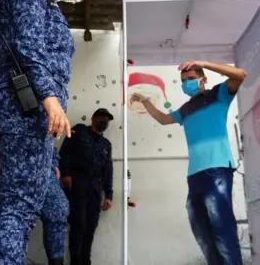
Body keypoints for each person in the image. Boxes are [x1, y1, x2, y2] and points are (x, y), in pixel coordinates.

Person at [0, 0, 75, 264]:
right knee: (17, 206)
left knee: (23, 207)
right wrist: (51, 99)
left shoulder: (46, 2)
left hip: (30, 108)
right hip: (25, 104)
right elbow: (28, 45)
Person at [131, 60, 247, 265]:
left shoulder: (218, 95)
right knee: (203, 232)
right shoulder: (185, 109)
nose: (186, 83)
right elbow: (163, 119)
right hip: (194, 175)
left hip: (217, 170)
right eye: (183, 81)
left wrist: (203, 63)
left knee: (222, 230)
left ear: (203, 79)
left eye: (191, 79)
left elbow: (240, 75)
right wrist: (145, 100)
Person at [0, 148, 69, 265]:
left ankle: (57, 261)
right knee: (11, 224)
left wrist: (54, 163)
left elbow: (49, 139)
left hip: (41, 165)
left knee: (59, 208)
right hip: (12, 161)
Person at [59, 108, 114, 265]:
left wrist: (108, 195)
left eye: (106, 119)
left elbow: (108, 170)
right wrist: (66, 173)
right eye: (101, 118)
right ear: (93, 118)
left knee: (90, 226)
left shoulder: (106, 144)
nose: (104, 121)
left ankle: (86, 261)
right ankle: (75, 261)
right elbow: (65, 152)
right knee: (78, 224)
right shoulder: (80, 131)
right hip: (78, 184)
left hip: (95, 188)